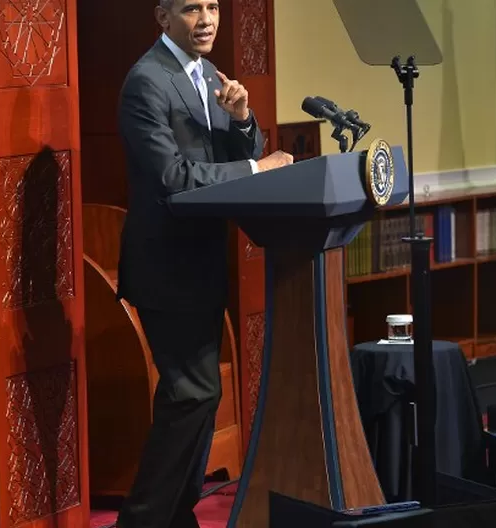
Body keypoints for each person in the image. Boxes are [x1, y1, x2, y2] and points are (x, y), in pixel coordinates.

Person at [114, 1, 293, 526]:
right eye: (193, 8)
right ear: (163, 15)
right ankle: (145, 519)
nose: (207, 18)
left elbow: (240, 157)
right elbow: (173, 178)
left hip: (203, 266)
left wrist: (241, 121)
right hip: (165, 268)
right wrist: (256, 167)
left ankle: (172, 516)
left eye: (213, 5)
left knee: (197, 394)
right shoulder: (146, 81)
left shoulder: (208, 74)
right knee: (192, 392)